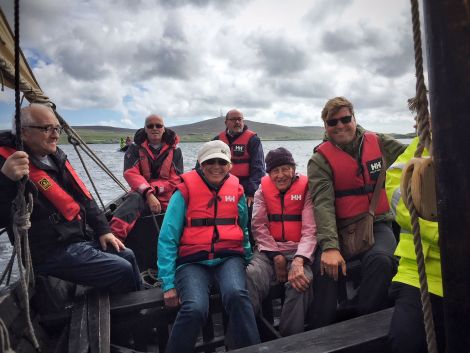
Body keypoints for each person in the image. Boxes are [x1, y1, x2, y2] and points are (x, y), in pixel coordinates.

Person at [0, 104, 141, 294]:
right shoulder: (8, 164)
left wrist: (103, 230)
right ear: (24, 133)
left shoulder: (55, 157)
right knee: (121, 269)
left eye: (57, 128)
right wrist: (6, 180)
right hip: (48, 252)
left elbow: (85, 198)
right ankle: (130, 315)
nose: (56, 135)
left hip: (76, 238)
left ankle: (135, 305)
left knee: (128, 255)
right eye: (46, 128)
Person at [307, 96, 407, 328]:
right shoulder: (319, 160)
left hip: (377, 223)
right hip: (339, 229)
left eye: (345, 119)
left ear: (354, 118)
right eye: (333, 122)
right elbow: (323, 205)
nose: (340, 126)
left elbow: (413, 155)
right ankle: (320, 330)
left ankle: (363, 323)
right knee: (325, 269)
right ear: (326, 126)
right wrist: (330, 247)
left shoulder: (379, 142)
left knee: (383, 260)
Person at [157, 140, 260, 353]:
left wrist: (248, 258)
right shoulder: (184, 192)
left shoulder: (237, 190)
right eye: (210, 161)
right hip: (192, 263)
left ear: (229, 165)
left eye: (222, 162)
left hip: (228, 258)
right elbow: (167, 238)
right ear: (200, 164)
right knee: (195, 308)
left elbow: (243, 229)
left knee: (237, 295)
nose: (216, 166)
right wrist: (168, 283)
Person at [246, 147, 317, 336]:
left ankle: (289, 340)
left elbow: (310, 230)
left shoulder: (307, 189)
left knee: (301, 282)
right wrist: (275, 255)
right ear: (269, 174)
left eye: (285, 169)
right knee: (251, 276)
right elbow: (258, 226)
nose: (280, 175)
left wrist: (299, 260)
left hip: (298, 252)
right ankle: (249, 337)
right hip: (268, 252)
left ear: (293, 169)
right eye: (275, 171)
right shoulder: (262, 191)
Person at [386, 137, 445, 352]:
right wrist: (443, 234)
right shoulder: (426, 141)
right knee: (406, 342)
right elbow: (396, 190)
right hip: (420, 274)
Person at [110, 114, 183, 243]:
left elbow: (175, 180)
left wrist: (154, 189)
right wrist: (148, 193)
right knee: (134, 199)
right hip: (140, 195)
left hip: (166, 197)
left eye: (158, 125)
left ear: (164, 128)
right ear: (145, 129)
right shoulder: (134, 148)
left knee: (183, 206)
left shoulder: (176, 151)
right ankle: (113, 239)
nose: (155, 128)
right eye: (150, 126)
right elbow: (131, 173)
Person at [215, 109, 265, 208]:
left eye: (239, 119)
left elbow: (259, 168)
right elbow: (204, 165)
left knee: (248, 213)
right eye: (233, 119)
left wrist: (252, 193)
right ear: (226, 122)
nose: (237, 122)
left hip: (246, 190)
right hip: (221, 187)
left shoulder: (253, 140)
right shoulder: (217, 140)